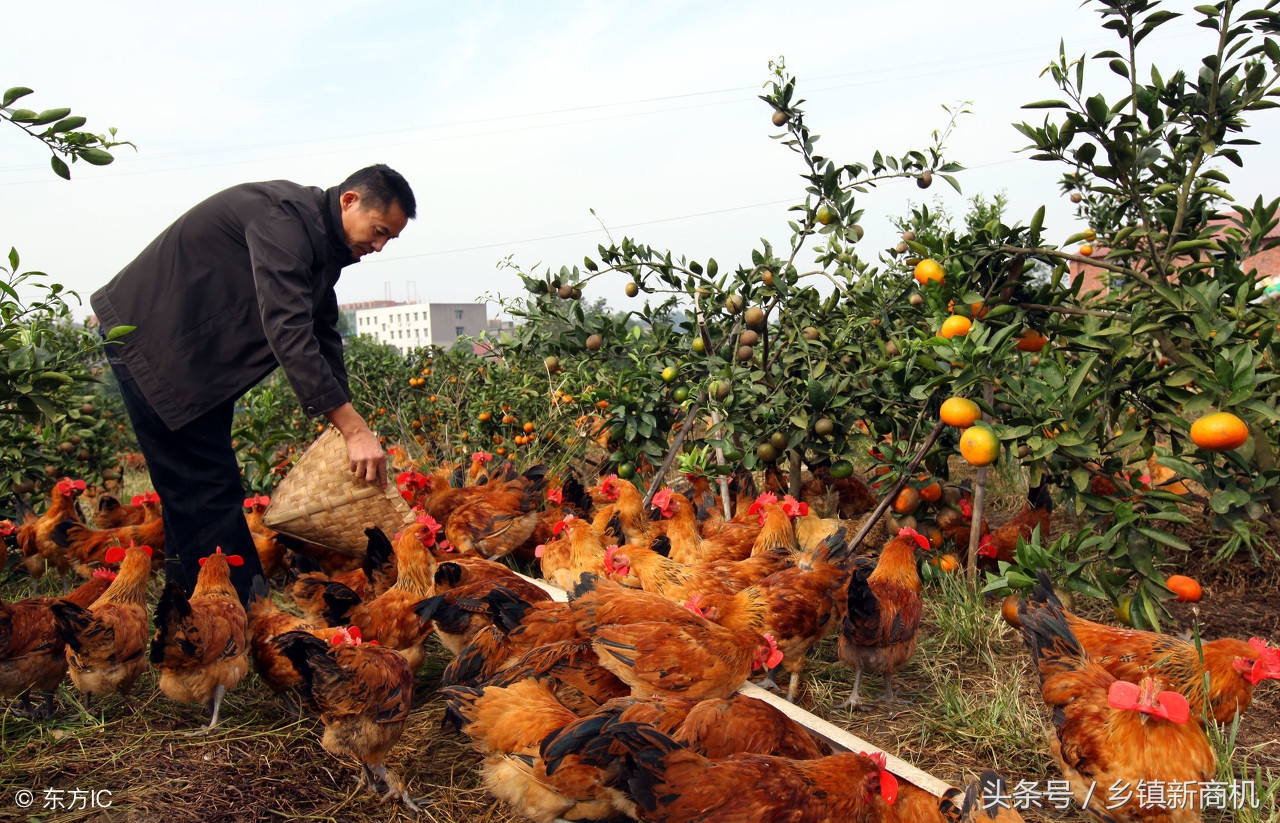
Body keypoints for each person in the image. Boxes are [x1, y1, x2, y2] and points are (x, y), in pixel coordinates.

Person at [91, 165, 415, 605]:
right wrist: (353, 430)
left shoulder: (319, 243)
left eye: (387, 240)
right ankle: (240, 612)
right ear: (349, 200)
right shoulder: (283, 219)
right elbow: (288, 329)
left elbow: (323, 332)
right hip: (152, 343)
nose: (378, 247)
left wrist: (347, 422)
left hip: (194, 357)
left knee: (194, 485)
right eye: (378, 231)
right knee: (206, 483)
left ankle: (194, 603)